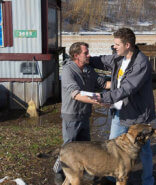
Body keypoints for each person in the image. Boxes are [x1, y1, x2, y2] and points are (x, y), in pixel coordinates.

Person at [90, 28, 156, 185]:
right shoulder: (119, 58)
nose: (114, 47)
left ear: (127, 45)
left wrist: (104, 97)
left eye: (117, 44)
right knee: (113, 146)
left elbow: (127, 88)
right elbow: (103, 60)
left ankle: (148, 181)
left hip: (138, 115)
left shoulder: (141, 63)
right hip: (120, 111)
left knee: (144, 150)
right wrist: (87, 59)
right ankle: (114, 177)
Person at [53, 42, 110, 184]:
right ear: (76, 55)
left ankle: (85, 171)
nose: (89, 55)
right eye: (86, 53)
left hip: (85, 114)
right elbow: (76, 94)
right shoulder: (68, 70)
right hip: (71, 115)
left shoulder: (89, 70)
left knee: (85, 146)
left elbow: (103, 84)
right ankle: (59, 172)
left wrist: (123, 84)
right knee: (69, 147)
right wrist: (98, 100)